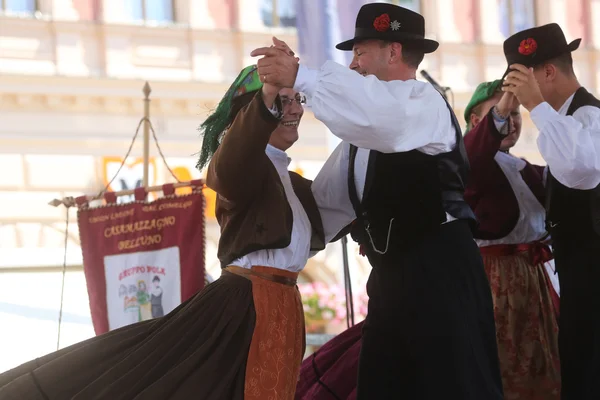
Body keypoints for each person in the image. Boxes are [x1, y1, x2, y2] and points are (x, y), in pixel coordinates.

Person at [0, 65, 325, 400]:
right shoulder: (243, 166)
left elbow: (335, 210)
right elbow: (229, 165)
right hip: (244, 307)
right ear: (251, 114)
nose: (297, 109)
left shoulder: (292, 183)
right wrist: (267, 94)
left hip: (279, 306)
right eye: (282, 101)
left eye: (296, 99)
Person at [252, 3, 503, 399]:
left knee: (452, 385)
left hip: (441, 272)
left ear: (394, 51)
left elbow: (380, 120)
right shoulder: (360, 138)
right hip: (391, 279)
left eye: (360, 52)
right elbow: (321, 208)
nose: (352, 65)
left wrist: (304, 76)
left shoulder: (423, 102)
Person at [501, 23, 600, 400]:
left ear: (547, 72)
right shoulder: (564, 119)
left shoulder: (589, 117)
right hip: (580, 267)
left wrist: (537, 106)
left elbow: (581, 170)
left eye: (520, 78)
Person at [463, 80, 560, 399]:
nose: (512, 119)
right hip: (495, 282)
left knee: (540, 359)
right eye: (502, 112)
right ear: (477, 122)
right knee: (503, 360)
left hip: (533, 278)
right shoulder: (467, 163)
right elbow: (473, 153)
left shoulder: (528, 170)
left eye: (515, 112)